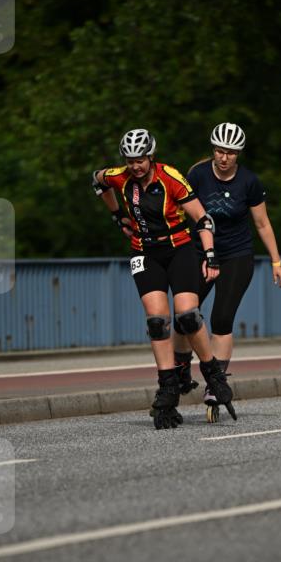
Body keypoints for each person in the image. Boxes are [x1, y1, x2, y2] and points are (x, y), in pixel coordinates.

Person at [92, 128, 236, 429]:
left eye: (141, 159)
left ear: (151, 156)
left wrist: (210, 255)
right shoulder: (120, 176)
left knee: (187, 316)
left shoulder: (169, 177)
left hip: (179, 249)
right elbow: (97, 179)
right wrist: (117, 214)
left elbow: (204, 218)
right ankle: (168, 388)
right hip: (144, 252)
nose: (135, 165)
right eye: (130, 160)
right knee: (157, 321)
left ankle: (213, 373)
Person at [172, 121, 281, 422]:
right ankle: (180, 367)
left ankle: (215, 382)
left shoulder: (249, 182)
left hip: (237, 255)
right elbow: (182, 211)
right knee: (185, 315)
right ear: (213, 151)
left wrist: (276, 261)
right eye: (219, 151)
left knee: (222, 318)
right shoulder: (197, 174)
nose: (224, 158)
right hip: (198, 252)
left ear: (239, 154)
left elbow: (262, 223)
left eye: (230, 153)